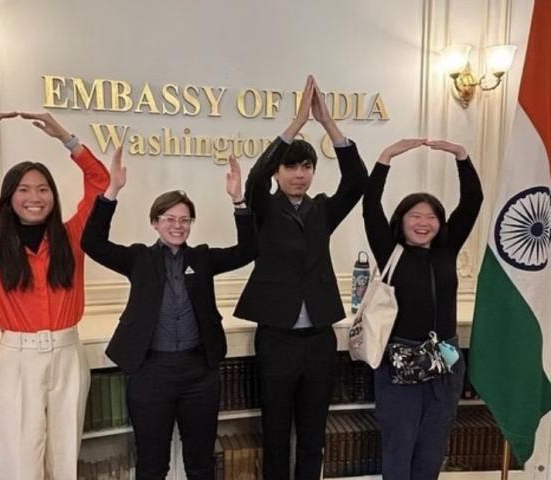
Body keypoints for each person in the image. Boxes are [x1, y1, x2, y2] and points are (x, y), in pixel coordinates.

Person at [0, 111, 110, 480]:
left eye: (43, 189)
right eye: (23, 189)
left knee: (64, 462)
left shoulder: (73, 236)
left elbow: (100, 183)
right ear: (10, 197)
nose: (34, 197)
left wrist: (66, 138)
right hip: (18, 360)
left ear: (53, 196)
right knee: (20, 464)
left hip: (68, 354)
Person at [80, 148, 257, 480]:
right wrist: (112, 192)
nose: (178, 226)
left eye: (184, 220)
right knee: (151, 465)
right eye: (169, 219)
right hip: (151, 373)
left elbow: (249, 250)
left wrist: (238, 201)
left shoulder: (203, 259)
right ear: (155, 223)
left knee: (201, 464)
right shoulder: (139, 260)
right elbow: (92, 243)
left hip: (199, 374)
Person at [233, 75, 368, 479]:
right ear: (279, 172)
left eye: (306, 166)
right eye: (291, 166)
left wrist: (328, 124)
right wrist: (295, 124)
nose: (299, 173)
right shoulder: (263, 207)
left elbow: (358, 182)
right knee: (275, 430)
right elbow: (254, 179)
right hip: (277, 336)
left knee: (313, 432)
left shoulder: (322, 210)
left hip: (319, 339)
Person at [362, 138, 483, 479]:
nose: (423, 222)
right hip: (399, 363)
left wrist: (462, 156)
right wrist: (385, 157)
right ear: (401, 220)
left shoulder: (447, 251)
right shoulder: (390, 251)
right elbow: (370, 205)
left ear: (440, 223)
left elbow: (473, 200)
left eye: (431, 217)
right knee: (399, 447)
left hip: (445, 361)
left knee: (432, 447)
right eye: (415, 215)